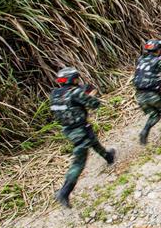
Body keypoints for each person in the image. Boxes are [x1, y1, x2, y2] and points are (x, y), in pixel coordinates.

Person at [49, 67, 116, 208]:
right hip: (79, 129)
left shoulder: (55, 94)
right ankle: (64, 192)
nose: (77, 81)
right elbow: (95, 104)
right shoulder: (75, 93)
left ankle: (108, 157)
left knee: (93, 141)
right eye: (75, 79)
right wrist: (90, 94)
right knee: (79, 162)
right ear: (72, 79)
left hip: (68, 129)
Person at [133, 39, 161, 145]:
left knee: (155, 115)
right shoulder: (158, 61)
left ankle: (145, 131)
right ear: (158, 50)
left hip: (139, 95)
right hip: (151, 93)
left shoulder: (140, 59)